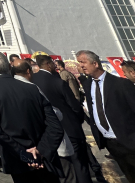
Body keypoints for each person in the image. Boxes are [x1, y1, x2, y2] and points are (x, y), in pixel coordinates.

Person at [0, 51, 64, 182]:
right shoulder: (31, 88)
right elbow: (55, 125)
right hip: (42, 156)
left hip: (16, 157)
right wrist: (41, 150)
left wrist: (23, 153)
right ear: (10, 66)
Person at [76, 50, 135, 183]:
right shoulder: (88, 84)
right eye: (79, 63)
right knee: (130, 176)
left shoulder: (121, 84)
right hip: (110, 142)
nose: (81, 66)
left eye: (83, 62)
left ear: (95, 63)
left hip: (131, 141)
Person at [31, 54, 92, 183]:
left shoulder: (32, 81)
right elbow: (74, 106)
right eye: (52, 63)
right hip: (69, 128)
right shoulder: (58, 82)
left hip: (48, 130)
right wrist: (78, 119)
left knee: (62, 167)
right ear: (48, 65)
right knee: (79, 164)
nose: (55, 65)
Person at [14, 60, 77, 183]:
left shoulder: (14, 91)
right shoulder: (32, 88)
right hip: (50, 143)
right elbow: (53, 114)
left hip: (36, 145)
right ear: (28, 71)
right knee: (67, 176)